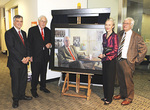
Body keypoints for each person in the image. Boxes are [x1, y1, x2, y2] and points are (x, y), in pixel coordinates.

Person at [113, 17, 147, 105]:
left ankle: (129, 97)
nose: (124, 25)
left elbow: (143, 50)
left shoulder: (137, 37)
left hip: (128, 61)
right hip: (119, 60)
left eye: (127, 23)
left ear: (131, 25)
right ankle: (122, 94)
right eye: (124, 23)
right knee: (120, 79)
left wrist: (136, 61)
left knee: (128, 81)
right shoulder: (120, 34)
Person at [5, 15, 32, 108]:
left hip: (24, 62)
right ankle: (15, 99)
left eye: (21, 21)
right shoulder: (9, 33)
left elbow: (27, 46)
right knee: (16, 81)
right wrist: (22, 58)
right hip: (15, 62)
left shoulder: (24, 33)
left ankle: (22, 95)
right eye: (17, 21)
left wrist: (28, 56)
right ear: (14, 22)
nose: (19, 23)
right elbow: (11, 48)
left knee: (23, 80)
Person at [28, 15, 52, 98]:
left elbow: (51, 41)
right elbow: (29, 44)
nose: (43, 23)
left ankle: (43, 87)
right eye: (42, 21)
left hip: (45, 56)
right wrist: (30, 55)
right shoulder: (32, 30)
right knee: (35, 74)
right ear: (38, 21)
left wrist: (50, 44)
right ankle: (33, 90)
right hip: (35, 56)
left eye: (45, 21)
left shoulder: (48, 31)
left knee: (43, 73)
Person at [98, 18, 118, 105]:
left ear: (113, 26)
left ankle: (109, 98)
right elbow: (104, 48)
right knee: (105, 79)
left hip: (111, 60)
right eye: (106, 24)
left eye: (109, 25)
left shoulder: (115, 36)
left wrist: (105, 55)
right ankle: (106, 96)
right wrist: (102, 55)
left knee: (110, 80)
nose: (107, 26)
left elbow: (115, 50)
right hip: (104, 60)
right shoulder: (103, 35)